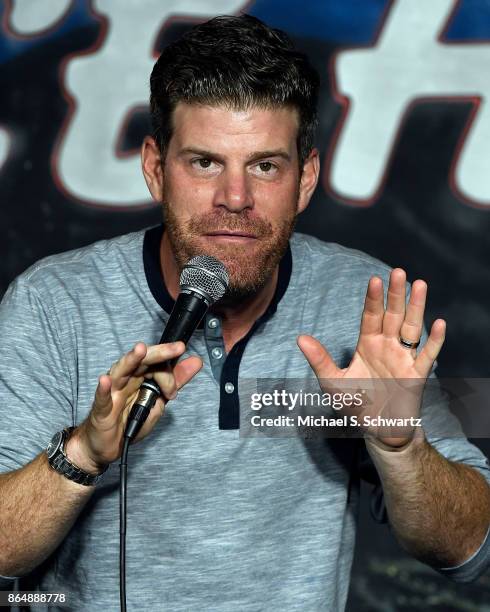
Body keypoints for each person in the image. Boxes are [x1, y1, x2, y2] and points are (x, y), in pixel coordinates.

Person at [0, 13, 489, 611]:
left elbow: (469, 549)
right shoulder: (56, 302)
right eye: (205, 162)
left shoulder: (358, 303)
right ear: (156, 169)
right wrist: (83, 454)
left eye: (264, 165)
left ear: (305, 179)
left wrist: (398, 445)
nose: (235, 198)